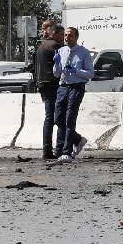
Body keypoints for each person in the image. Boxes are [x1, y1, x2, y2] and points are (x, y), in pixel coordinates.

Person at [52, 26, 93, 163]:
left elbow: (90, 73)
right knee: (58, 118)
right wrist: (56, 64)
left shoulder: (83, 52)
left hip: (76, 86)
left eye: (70, 35)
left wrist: (76, 71)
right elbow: (57, 74)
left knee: (70, 118)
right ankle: (77, 139)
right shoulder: (61, 51)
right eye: (65, 35)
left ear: (76, 37)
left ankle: (67, 152)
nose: (66, 38)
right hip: (63, 87)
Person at [34, 23, 62, 159]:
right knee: (56, 117)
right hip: (53, 84)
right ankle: (58, 149)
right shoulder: (55, 46)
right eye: (62, 35)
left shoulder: (41, 46)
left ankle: (47, 150)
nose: (64, 38)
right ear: (55, 34)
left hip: (43, 84)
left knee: (49, 118)